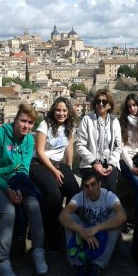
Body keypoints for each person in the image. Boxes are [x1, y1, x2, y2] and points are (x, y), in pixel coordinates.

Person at [0, 103, 47, 276]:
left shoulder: (29, 140)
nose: (26, 126)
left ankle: (38, 251)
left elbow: (23, 169)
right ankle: (3, 262)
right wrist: (7, 188)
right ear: (15, 120)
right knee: (9, 211)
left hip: (17, 182)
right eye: (23, 121)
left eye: (30, 122)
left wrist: (17, 188)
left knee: (33, 204)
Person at [30, 97, 80, 252]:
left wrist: (69, 168)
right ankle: (51, 234)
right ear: (53, 110)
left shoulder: (69, 126)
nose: (61, 113)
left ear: (68, 112)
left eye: (64, 110)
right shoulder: (45, 125)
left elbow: (69, 149)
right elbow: (39, 151)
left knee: (73, 190)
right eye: (58, 110)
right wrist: (54, 171)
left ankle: (67, 225)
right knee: (54, 195)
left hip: (58, 163)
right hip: (39, 163)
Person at [59, 170, 127, 276]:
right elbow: (63, 216)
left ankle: (97, 265)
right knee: (71, 218)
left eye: (93, 184)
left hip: (104, 237)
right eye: (86, 186)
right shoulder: (80, 197)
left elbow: (123, 216)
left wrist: (96, 228)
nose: (90, 189)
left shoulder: (109, 196)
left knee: (116, 217)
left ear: (99, 184)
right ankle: (78, 264)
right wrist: (82, 231)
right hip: (86, 236)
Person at [75, 89, 122, 193]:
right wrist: (95, 162)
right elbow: (79, 145)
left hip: (109, 163)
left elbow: (118, 146)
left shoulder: (114, 122)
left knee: (110, 190)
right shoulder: (87, 119)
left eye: (104, 102)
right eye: (98, 101)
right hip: (90, 164)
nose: (101, 104)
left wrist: (111, 165)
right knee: (99, 188)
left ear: (109, 105)